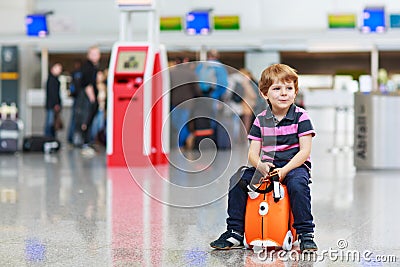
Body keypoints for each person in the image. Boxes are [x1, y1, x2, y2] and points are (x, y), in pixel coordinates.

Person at [210, 63, 318, 253]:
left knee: (297, 185)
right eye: (277, 89)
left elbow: (304, 152)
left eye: (289, 88)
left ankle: (305, 233)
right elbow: (252, 153)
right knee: (238, 179)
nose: (284, 93)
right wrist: (260, 166)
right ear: (264, 94)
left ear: (295, 91)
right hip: (267, 166)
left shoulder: (301, 117)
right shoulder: (261, 119)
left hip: (294, 166)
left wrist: (285, 170)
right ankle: (235, 231)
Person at [170, 57, 202, 149]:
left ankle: (174, 144)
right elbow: (197, 91)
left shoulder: (171, 73)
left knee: (174, 125)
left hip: (173, 103)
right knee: (183, 125)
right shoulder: (191, 74)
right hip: (187, 104)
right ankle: (180, 144)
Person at [78, 45, 101, 156]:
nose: (96, 56)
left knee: (89, 122)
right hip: (87, 100)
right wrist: (92, 99)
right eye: (94, 54)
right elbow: (87, 84)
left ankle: (88, 142)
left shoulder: (93, 67)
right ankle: (85, 143)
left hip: (90, 99)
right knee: (86, 121)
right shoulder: (88, 67)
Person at [44, 63, 63, 138]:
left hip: (51, 105)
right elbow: (53, 94)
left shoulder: (53, 79)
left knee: (52, 123)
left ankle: (50, 137)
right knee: (50, 123)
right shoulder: (52, 80)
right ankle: (48, 138)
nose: (59, 70)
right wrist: (56, 104)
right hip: (52, 105)